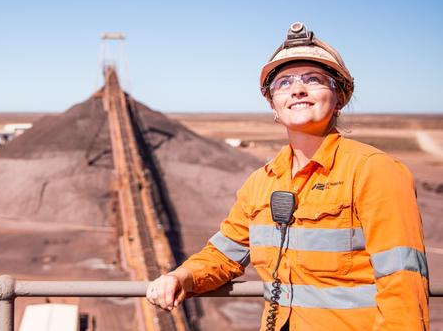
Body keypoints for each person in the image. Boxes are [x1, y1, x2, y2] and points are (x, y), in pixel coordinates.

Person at [146, 22, 429, 330]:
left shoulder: (374, 171)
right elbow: (224, 254)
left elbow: (402, 286)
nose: (297, 89)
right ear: (273, 105)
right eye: (284, 82)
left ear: (339, 98)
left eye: (314, 79)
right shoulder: (261, 183)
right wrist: (181, 276)